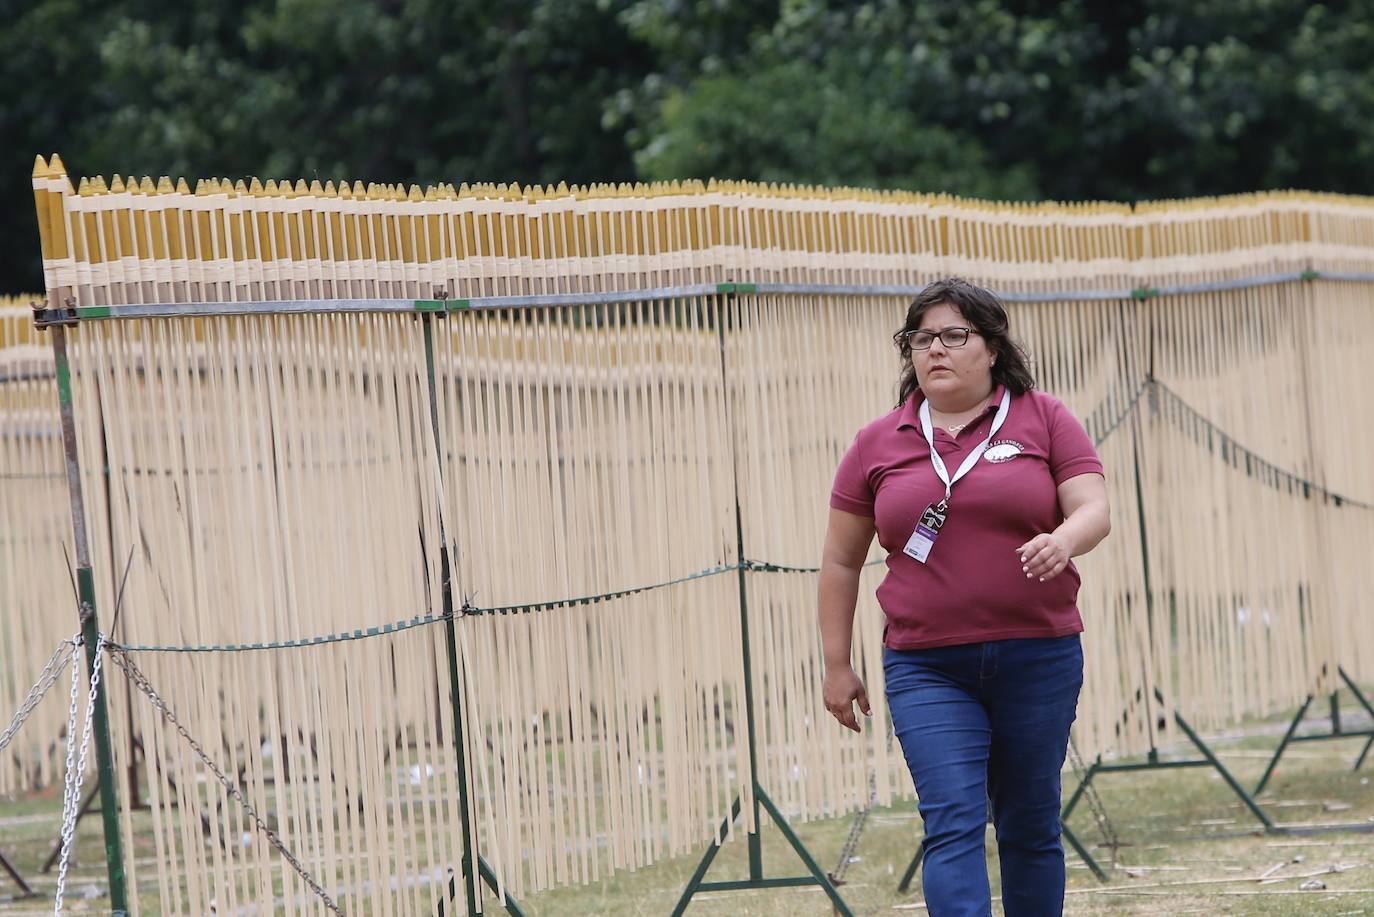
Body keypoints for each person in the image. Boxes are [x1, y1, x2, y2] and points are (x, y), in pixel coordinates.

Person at [818, 278, 1110, 917]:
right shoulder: (879, 442)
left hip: (1039, 655)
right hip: (926, 664)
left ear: (994, 348)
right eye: (921, 339)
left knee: (1030, 824)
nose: (935, 351)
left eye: (954, 336)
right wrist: (836, 664)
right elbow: (841, 561)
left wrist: (1063, 540)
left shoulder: (1044, 418)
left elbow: (1094, 508)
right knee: (951, 822)